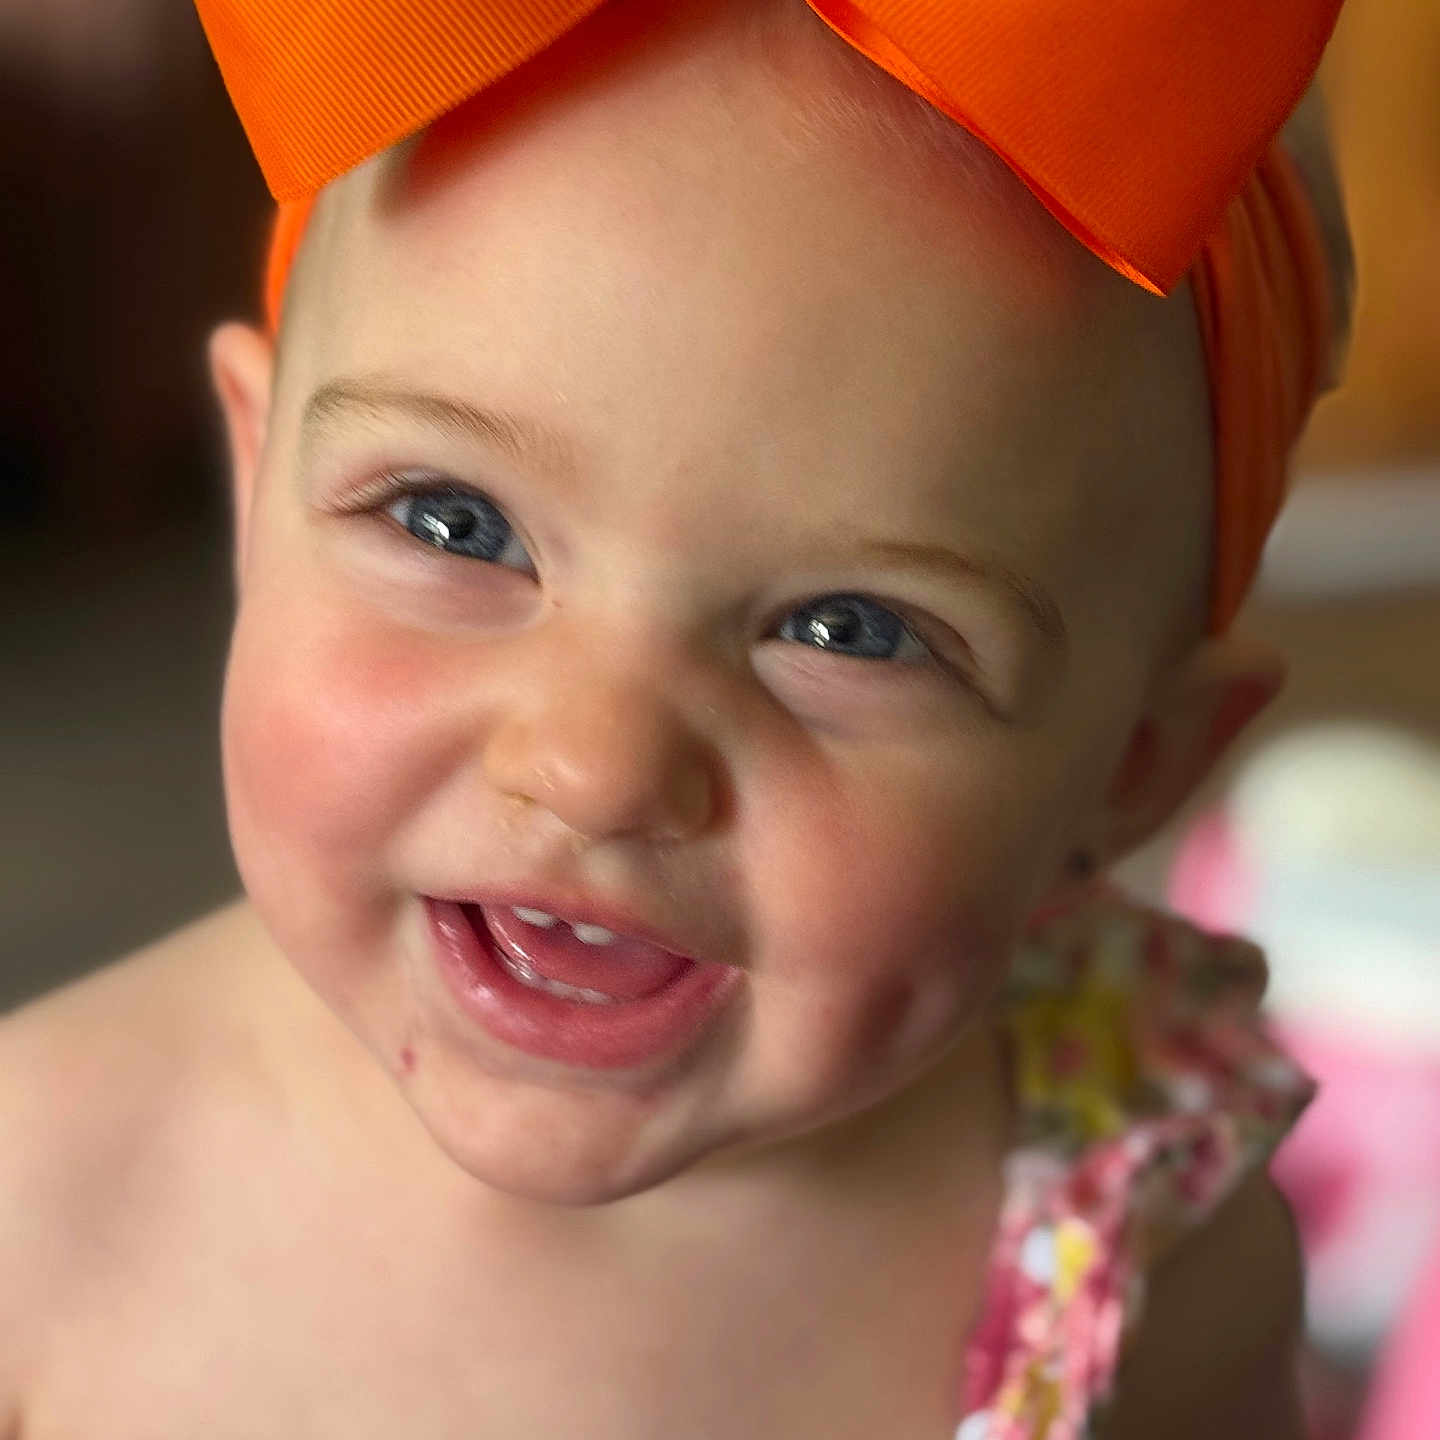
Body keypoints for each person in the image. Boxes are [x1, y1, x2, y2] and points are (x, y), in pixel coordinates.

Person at [0, 0, 1352, 1434]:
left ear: (1133, 771)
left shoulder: (1133, 1255)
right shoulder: (40, 1201)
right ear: (255, 486)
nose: (596, 766)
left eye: (850, 630)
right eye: (456, 524)